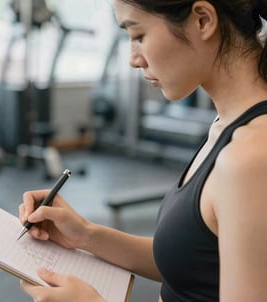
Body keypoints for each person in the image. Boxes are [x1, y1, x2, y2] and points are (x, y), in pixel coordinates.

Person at [18, 0, 267, 301]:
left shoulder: (251, 157)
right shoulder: (227, 125)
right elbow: (192, 264)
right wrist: (86, 235)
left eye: (138, 36)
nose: (133, 59)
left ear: (202, 20)